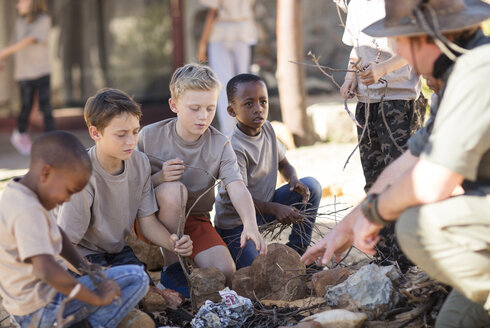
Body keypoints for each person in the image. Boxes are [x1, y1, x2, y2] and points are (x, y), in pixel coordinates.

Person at [302, 0, 490, 326]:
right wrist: (347, 226)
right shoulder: (459, 73)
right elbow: (411, 160)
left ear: (428, 35)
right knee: (456, 321)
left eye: (401, 41)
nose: (408, 64)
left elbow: (433, 180)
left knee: (416, 225)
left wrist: (375, 214)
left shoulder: (479, 70)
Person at [138, 64, 267, 291]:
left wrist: (250, 224)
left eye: (209, 108)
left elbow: (236, 186)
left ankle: (187, 266)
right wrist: (159, 178)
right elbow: (130, 185)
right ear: (174, 105)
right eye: (194, 108)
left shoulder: (219, 144)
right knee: (173, 190)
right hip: (149, 217)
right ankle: (172, 266)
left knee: (224, 272)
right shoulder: (149, 136)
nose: (203, 116)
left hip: (194, 219)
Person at [0, 131, 149, 328]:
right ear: (46, 173)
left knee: (115, 280)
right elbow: (48, 270)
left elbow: (58, 235)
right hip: (41, 309)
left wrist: (85, 267)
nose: (68, 199)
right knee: (137, 277)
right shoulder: (28, 211)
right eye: (69, 191)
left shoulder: (20, 191)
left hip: (31, 307)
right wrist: (97, 298)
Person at [57, 89, 192, 280]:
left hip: (116, 250)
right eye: (121, 135)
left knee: (140, 285)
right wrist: (98, 277)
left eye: (135, 132)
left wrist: (173, 243)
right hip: (80, 254)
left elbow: (148, 222)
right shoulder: (80, 175)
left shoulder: (140, 162)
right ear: (95, 132)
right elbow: (64, 245)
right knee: (112, 293)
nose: (131, 141)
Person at [214, 73, 322, 269]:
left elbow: (284, 163)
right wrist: (275, 208)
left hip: (264, 210)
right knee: (259, 269)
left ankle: (299, 253)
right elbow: (238, 195)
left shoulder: (269, 130)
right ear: (232, 110)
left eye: (263, 101)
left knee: (311, 186)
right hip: (236, 224)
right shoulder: (234, 147)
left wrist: (293, 179)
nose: (259, 109)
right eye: (249, 104)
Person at [0, 0, 55, 155]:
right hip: (24, 73)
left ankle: (53, 140)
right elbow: (14, 43)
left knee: (46, 108)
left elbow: (30, 40)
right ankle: (20, 134)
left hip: (42, 71)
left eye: (21, 2)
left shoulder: (44, 19)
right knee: (26, 106)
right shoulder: (19, 21)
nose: (18, 5)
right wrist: (2, 59)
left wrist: (3, 53)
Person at [197, 0, 257, 137]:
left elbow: (212, 11)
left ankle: (229, 134)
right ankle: (247, 130)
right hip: (244, 31)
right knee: (244, 84)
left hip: (221, 33)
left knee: (223, 85)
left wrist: (202, 43)